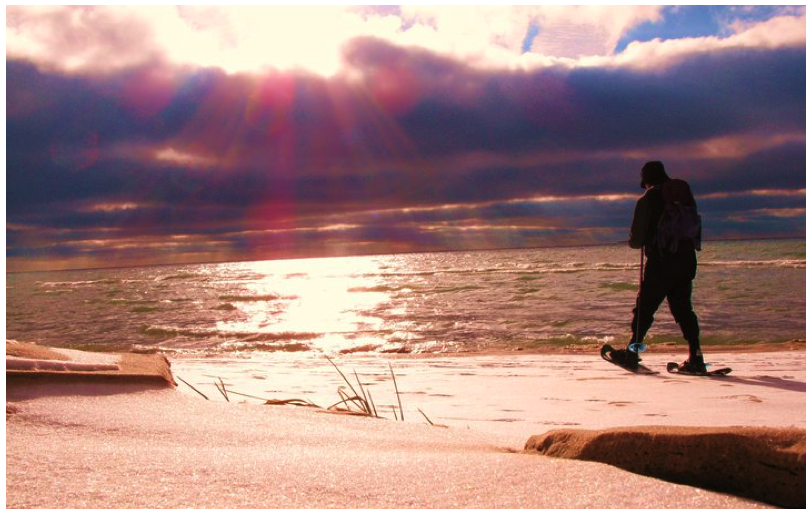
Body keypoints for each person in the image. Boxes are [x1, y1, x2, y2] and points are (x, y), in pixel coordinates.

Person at [610, 161, 706, 372]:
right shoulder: (681, 193)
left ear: (647, 180)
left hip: (662, 262)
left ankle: (632, 353)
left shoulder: (650, 197)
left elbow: (636, 241)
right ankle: (696, 357)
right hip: (687, 259)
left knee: (644, 309)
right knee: (683, 309)